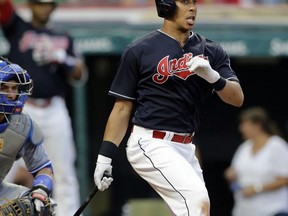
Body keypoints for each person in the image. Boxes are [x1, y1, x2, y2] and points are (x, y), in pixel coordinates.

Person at [93, 0, 244, 215]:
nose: (192, 7)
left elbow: (237, 98)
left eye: (193, 2)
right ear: (165, 5)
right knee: (197, 201)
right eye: (184, 1)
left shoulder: (210, 50)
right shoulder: (139, 50)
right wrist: (104, 158)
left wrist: (213, 77)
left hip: (185, 146)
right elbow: (122, 108)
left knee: (195, 208)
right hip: (150, 141)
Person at [0, 0, 87, 215]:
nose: (43, 7)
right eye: (39, 3)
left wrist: (62, 58)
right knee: (5, 166)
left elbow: (80, 74)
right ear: (31, 5)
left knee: (64, 171)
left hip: (54, 107)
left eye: (48, 4)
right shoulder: (18, 27)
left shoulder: (63, 37)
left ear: (54, 7)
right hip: (22, 106)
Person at [0, 57, 55, 215]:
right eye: (4, 87)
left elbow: (43, 168)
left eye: (14, 88)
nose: (11, 94)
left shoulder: (24, 126)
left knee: (41, 207)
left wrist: (41, 190)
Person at [224, 107, 288, 216]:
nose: (241, 128)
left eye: (245, 124)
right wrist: (230, 174)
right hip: (244, 211)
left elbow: (285, 179)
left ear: (257, 125)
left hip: (272, 210)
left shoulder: (276, 145)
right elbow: (233, 171)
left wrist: (257, 188)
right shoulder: (244, 147)